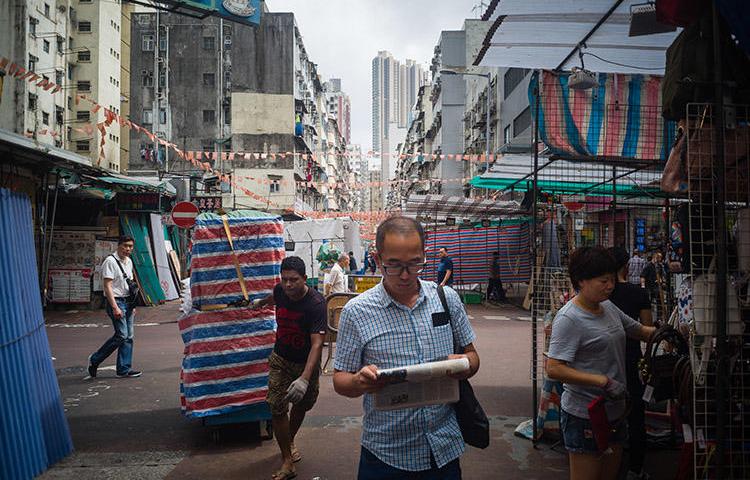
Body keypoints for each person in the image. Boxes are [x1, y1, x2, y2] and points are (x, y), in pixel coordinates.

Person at [333, 217, 480, 480]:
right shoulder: (356, 312)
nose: (405, 275)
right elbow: (340, 380)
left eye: (414, 264)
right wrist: (359, 381)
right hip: (385, 456)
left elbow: (473, 357)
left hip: (443, 450)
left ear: (424, 255)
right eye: (394, 265)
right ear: (378, 260)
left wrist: (464, 365)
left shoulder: (446, 299)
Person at [546, 246, 656, 480]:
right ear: (581, 281)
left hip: (616, 412)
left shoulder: (607, 306)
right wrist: (602, 381)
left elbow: (638, 330)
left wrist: (670, 333)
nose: (610, 286)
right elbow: (554, 368)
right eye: (603, 281)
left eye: (612, 280)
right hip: (584, 415)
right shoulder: (569, 319)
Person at [253, 256, 327, 480]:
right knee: (276, 406)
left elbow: (317, 344)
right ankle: (287, 458)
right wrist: (261, 303)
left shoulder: (316, 304)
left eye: (293, 280)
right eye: (284, 280)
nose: (288, 285)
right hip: (281, 359)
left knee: (302, 404)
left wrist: (305, 378)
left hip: (306, 363)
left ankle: (289, 440)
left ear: (305, 279)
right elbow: (273, 296)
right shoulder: (280, 291)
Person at [608, 247, 653, 480]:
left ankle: (606, 463)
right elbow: (648, 330)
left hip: (606, 361)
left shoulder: (603, 296)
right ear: (626, 266)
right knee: (636, 415)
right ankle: (635, 469)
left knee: (607, 412)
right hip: (632, 359)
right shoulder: (638, 294)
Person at [87, 236, 142, 379]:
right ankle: (95, 359)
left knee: (129, 336)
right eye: (125, 246)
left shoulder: (129, 261)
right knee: (122, 335)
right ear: (118, 246)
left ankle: (124, 369)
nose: (128, 249)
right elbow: (107, 286)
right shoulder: (110, 261)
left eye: (130, 246)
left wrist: (133, 305)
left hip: (128, 302)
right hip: (116, 302)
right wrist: (115, 307)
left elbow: (129, 283)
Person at [640, 252, 665, 321]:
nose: (660, 260)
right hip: (649, 287)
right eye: (659, 258)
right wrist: (643, 286)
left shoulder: (659, 266)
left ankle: (659, 318)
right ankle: (646, 318)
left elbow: (661, 275)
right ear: (655, 257)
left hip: (657, 287)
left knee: (659, 301)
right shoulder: (648, 266)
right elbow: (642, 276)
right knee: (648, 303)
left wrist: (660, 280)